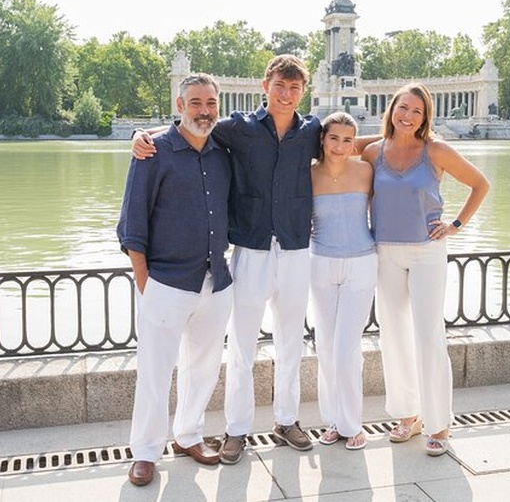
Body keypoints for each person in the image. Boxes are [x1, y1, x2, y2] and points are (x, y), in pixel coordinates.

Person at [132, 55, 379, 465]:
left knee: (291, 341)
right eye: (279, 86)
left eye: (294, 88)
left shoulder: (312, 131)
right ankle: (237, 429)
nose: (286, 95)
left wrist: (406, 144)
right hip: (250, 249)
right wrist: (144, 135)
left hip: (298, 249)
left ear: (304, 92)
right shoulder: (239, 129)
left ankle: (286, 419)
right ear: (265, 85)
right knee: (243, 345)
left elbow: (350, 142)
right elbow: (192, 127)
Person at [360, 82, 490, 457]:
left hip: (426, 252)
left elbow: (481, 184)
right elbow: (340, 146)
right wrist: (385, 132)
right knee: (394, 336)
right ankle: (408, 415)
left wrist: (456, 225)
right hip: (385, 251)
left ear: (426, 117)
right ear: (391, 109)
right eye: (402, 108)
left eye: (416, 111)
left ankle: (440, 424)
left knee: (429, 337)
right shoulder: (373, 152)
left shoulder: (437, 150)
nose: (408, 116)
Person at [117, 73, 233, 486]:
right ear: (180, 105)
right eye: (196, 103)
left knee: (203, 367)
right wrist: (143, 280)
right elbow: (132, 221)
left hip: (215, 279)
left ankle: (188, 435)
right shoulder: (154, 150)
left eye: (211, 103)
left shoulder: (224, 150)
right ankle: (146, 451)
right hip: (165, 281)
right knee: (155, 371)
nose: (205, 111)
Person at [308, 112, 376, 451]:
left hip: (362, 264)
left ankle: (354, 425)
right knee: (326, 347)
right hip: (320, 263)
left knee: (347, 348)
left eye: (348, 140)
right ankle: (334, 420)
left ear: (355, 143)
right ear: (323, 139)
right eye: (333, 138)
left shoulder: (365, 170)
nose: (340, 146)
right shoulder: (308, 174)